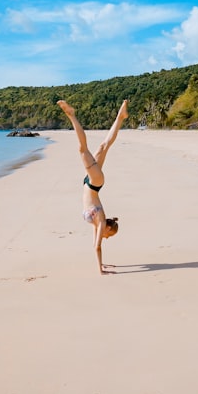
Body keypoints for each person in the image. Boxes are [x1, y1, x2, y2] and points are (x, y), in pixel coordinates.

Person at [57, 99, 128, 274]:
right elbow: (97, 248)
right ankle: (72, 115)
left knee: (104, 146)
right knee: (82, 149)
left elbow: (94, 245)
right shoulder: (102, 223)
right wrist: (100, 270)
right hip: (95, 182)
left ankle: (121, 117)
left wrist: (101, 264)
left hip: (91, 182)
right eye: (109, 235)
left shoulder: (98, 225)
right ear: (109, 228)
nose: (106, 237)